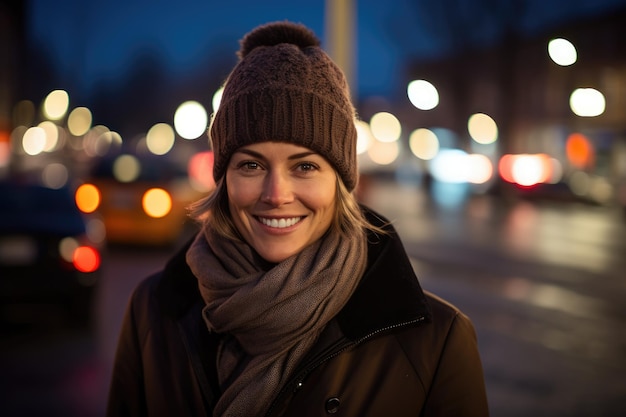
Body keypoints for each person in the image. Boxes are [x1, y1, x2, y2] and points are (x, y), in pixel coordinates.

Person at [106, 21, 489, 417]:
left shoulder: (435, 342)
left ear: (341, 183)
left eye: (304, 167)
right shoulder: (155, 310)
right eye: (251, 165)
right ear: (224, 180)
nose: (276, 195)